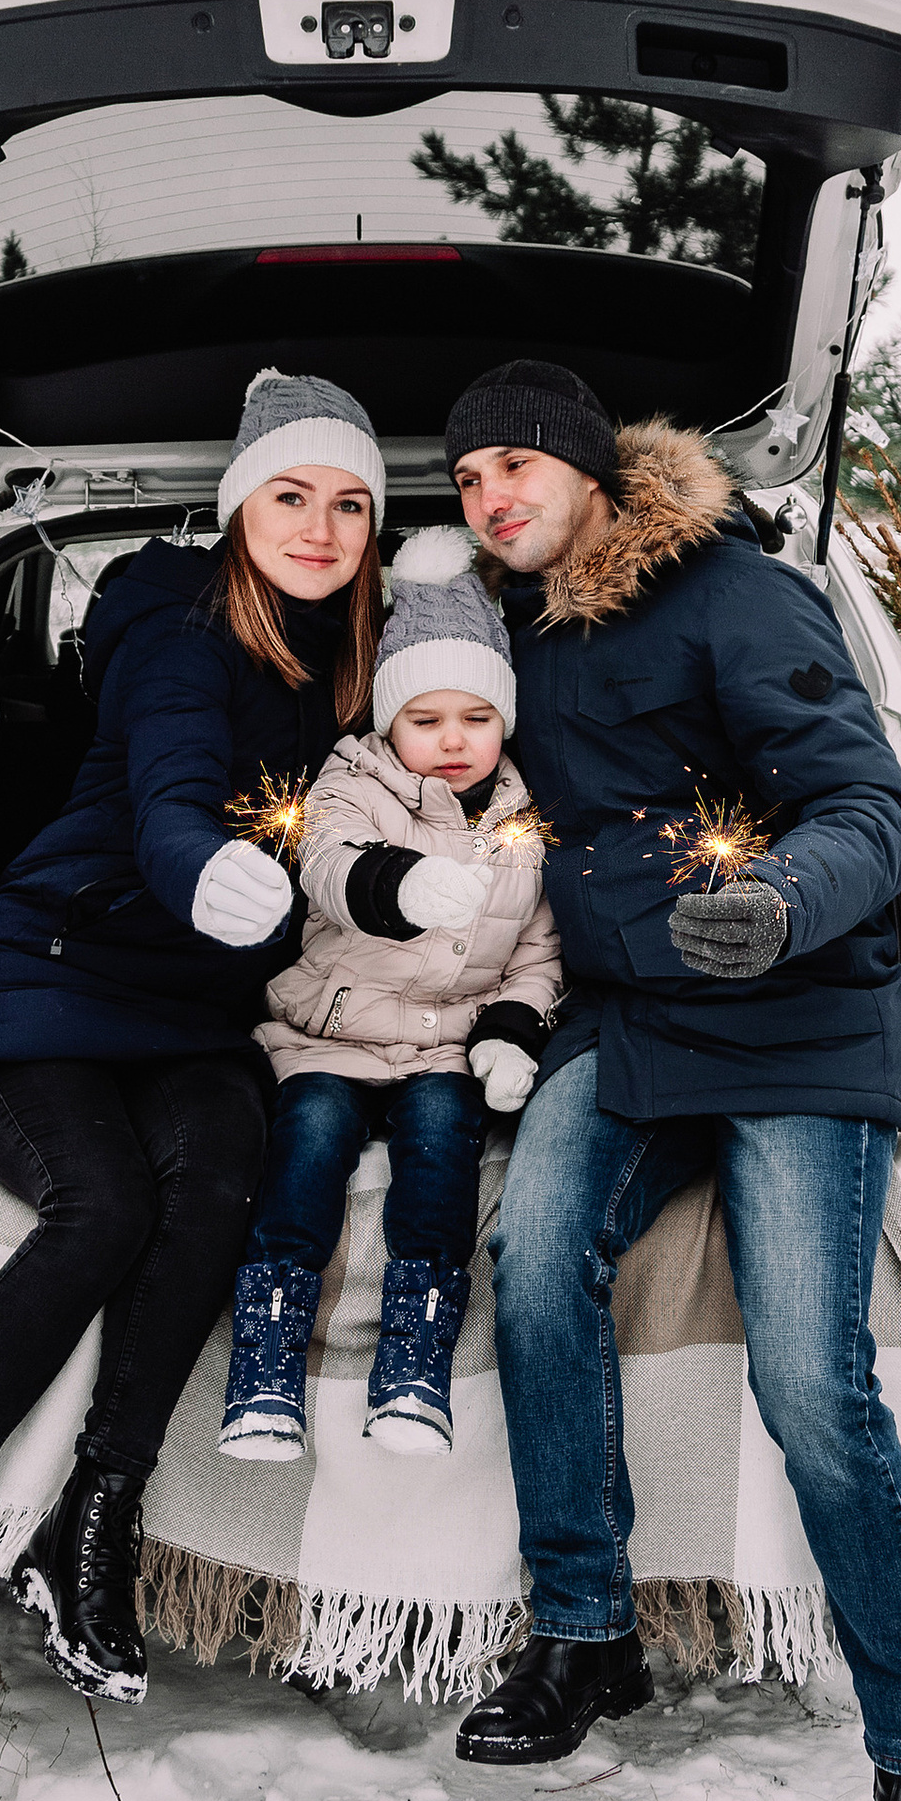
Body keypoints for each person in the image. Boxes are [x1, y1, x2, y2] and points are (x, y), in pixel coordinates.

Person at [442, 357, 901, 1801]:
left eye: (517, 465)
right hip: (632, 1022)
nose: (492, 496)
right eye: (467, 480)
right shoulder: (508, 637)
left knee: (811, 1381)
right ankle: (586, 1633)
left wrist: (780, 900)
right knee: (536, 1256)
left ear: (592, 471)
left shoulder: (739, 596)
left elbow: (874, 810)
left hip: (793, 1016)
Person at [0, 369, 386, 1752]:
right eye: (291, 495)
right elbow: (169, 784)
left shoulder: (362, 667)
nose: (319, 528)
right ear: (239, 506)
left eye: (350, 504)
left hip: (195, 1013)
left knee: (222, 1174)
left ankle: (96, 1517)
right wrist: (201, 869)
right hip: (49, 979)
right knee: (104, 1205)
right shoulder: (178, 626)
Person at [217, 526, 564, 1463]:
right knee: (309, 1144)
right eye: (425, 719)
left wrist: (509, 1033)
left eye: (476, 718)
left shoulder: (524, 822)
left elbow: (539, 952)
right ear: (388, 722)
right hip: (332, 1034)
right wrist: (399, 885)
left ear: (505, 722)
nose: (452, 741)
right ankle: (266, 1368)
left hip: (448, 1044)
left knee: (443, 1153)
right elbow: (328, 865)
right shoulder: (353, 782)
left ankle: (414, 1365)